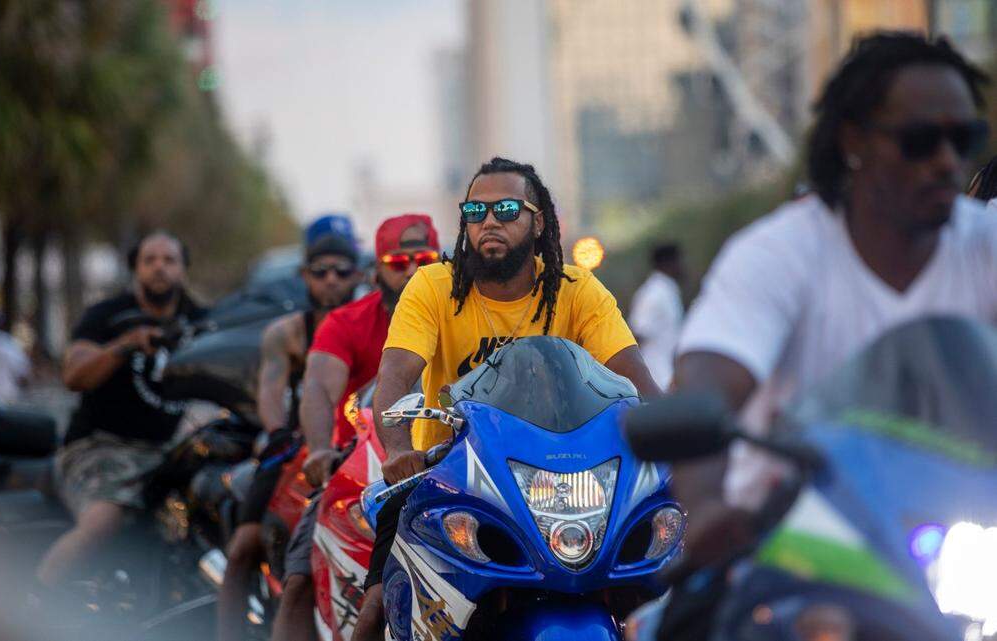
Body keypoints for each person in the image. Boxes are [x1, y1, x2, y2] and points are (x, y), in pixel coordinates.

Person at [667, 32, 997, 605]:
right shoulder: (778, 254)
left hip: (961, 535)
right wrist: (706, 508)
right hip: (792, 540)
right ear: (853, 142)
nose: (946, 162)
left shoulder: (985, 245)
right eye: (920, 141)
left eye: (962, 139)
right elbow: (709, 380)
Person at [353, 157, 661, 641]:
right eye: (475, 211)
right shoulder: (434, 287)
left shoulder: (577, 290)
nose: (488, 221)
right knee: (379, 605)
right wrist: (396, 450)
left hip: (574, 476)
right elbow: (395, 377)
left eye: (505, 208)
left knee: (670, 583)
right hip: (450, 477)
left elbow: (634, 376)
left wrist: (671, 432)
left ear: (538, 222)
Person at [256, 214, 441, 641]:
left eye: (423, 260)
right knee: (300, 578)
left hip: (455, 465)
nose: (412, 271)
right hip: (360, 468)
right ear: (376, 270)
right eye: (399, 262)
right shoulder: (345, 323)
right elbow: (319, 388)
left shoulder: (466, 312)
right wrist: (321, 449)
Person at [35, 231, 208, 588]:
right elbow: (74, 375)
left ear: (183, 270)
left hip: (167, 453)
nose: (160, 268)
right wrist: (124, 345)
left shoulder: (201, 320)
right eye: (150, 260)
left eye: (169, 260)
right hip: (98, 447)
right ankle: (36, 601)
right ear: (136, 270)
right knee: (103, 521)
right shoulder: (107, 316)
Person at [217, 215, 363, 639]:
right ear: (304, 276)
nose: (331, 280)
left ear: (358, 274)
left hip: (359, 449)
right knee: (245, 545)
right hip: (296, 448)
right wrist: (280, 433)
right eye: (320, 271)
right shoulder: (286, 334)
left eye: (341, 270)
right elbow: (270, 392)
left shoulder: (381, 323)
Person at [628, 243, 686, 389]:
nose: (683, 266)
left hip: (667, 378)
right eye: (679, 260)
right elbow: (636, 337)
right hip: (655, 380)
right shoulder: (653, 294)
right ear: (668, 263)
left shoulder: (667, 290)